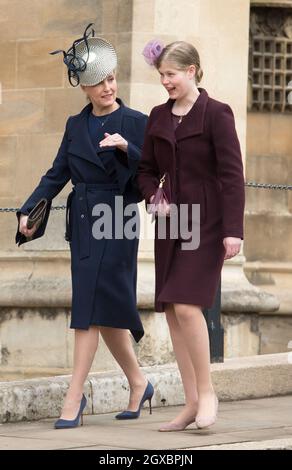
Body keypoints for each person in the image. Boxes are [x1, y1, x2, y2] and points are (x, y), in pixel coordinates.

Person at [16, 24, 154, 429]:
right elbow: (55, 174)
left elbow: (155, 170)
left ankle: (73, 397)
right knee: (103, 311)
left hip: (119, 218)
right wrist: (30, 212)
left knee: (89, 311)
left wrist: (126, 148)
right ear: (85, 88)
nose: (107, 88)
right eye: (98, 83)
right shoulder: (75, 126)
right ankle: (138, 381)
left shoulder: (136, 121)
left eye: (110, 79)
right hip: (84, 222)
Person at [137, 40, 245, 431]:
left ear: (192, 70)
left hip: (209, 222)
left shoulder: (217, 113)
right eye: (161, 75)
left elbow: (233, 176)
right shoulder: (157, 116)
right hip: (171, 224)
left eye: (171, 74)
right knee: (172, 314)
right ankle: (191, 402)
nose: (165, 81)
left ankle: (208, 392)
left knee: (186, 306)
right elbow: (145, 170)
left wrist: (234, 230)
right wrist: (154, 196)